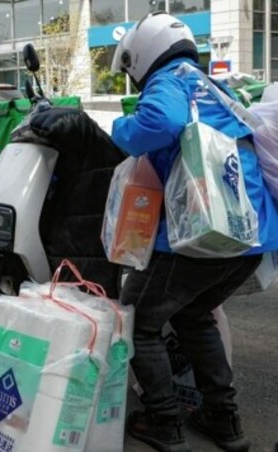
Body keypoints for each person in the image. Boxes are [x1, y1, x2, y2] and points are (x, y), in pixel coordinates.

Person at [111, 12, 278, 452]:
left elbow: (158, 124)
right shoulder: (212, 87)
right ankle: (224, 421)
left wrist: (119, 130)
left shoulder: (169, 81)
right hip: (249, 236)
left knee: (138, 321)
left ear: (143, 54)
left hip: (201, 234)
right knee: (192, 315)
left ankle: (164, 422)